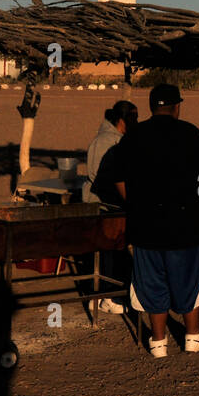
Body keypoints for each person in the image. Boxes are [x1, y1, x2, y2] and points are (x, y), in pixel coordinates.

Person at [109, 84, 199, 358]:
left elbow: (119, 179)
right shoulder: (191, 133)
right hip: (186, 227)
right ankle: (193, 337)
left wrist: (134, 205)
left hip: (146, 228)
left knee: (152, 281)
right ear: (176, 107)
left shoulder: (133, 136)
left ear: (151, 107)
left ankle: (158, 343)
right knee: (189, 280)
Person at [85, 100, 137, 314]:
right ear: (122, 120)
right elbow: (99, 176)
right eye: (134, 117)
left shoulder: (116, 140)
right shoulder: (106, 141)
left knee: (112, 251)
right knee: (108, 252)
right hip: (103, 204)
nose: (137, 121)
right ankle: (104, 296)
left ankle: (103, 296)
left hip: (111, 203)